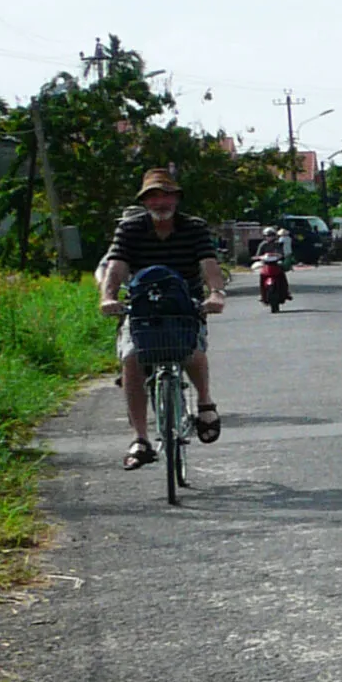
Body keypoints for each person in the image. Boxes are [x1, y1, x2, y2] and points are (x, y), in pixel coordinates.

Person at [99, 170, 225, 470]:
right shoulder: (130, 229)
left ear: (176, 198)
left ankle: (205, 404)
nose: (160, 201)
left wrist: (216, 293)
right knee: (132, 359)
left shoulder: (194, 228)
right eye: (153, 196)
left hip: (185, 304)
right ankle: (140, 439)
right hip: (142, 306)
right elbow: (115, 267)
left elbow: (208, 264)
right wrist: (108, 297)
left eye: (166, 194)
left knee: (192, 350)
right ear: (144, 201)